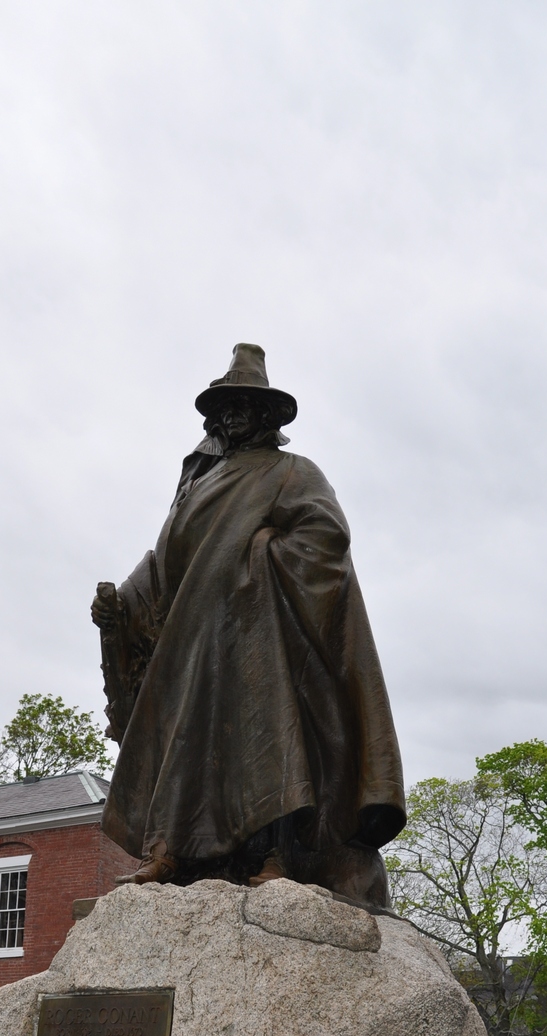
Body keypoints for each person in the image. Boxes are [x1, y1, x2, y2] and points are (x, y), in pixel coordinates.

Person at [92, 344, 406, 910]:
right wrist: (125, 602)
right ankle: (174, 848)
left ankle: (275, 856)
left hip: (264, 641)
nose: (233, 415)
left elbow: (326, 541)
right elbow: (170, 558)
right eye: (225, 406)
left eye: (244, 405)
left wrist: (261, 556)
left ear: (268, 417)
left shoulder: (293, 473)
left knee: (269, 744)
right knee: (188, 741)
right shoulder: (198, 482)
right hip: (195, 641)